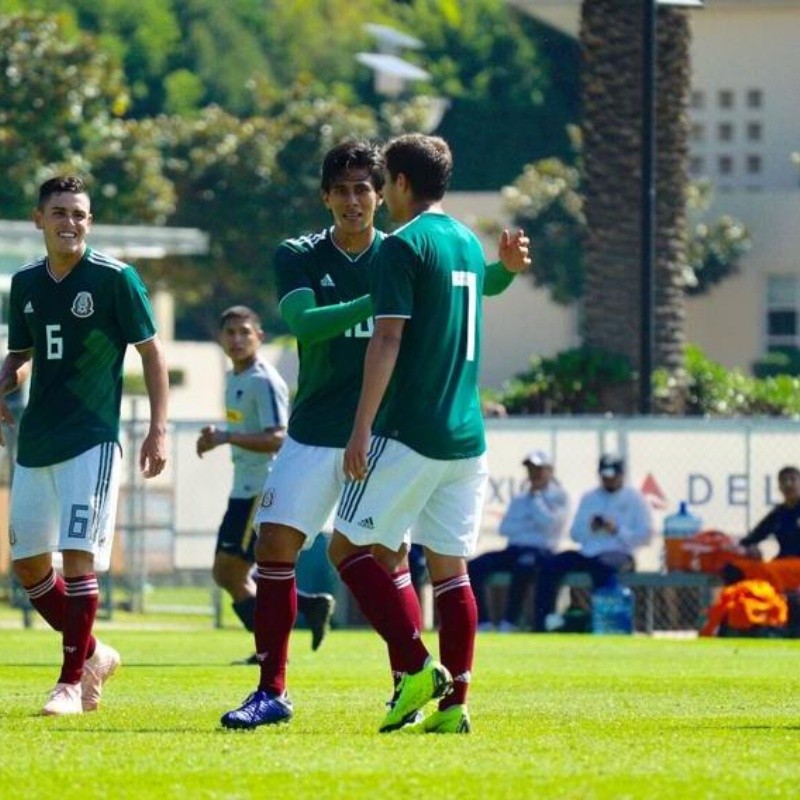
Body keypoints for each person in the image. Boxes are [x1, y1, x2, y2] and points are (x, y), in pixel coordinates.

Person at [220, 135, 529, 734]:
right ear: (325, 198)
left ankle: (406, 681)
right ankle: (272, 690)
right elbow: (305, 322)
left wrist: (506, 273)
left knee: (384, 557)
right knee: (275, 547)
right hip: (317, 430)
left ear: (384, 190)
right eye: (343, 190)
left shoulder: (403, 248)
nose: (357, 200)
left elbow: (471, 284)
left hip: (386, 432)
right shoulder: (302, 253)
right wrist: (379, 297)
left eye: (367, 187)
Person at [0, 175, 169, 715]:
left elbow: (152, 354)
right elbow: (21, 356)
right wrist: (4, 379)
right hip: (36, 441)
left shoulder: (116, 279)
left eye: (79, 214)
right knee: (27, 565)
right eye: (59, 213)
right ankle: (94, 654)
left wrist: (158, 429)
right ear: (38, 219)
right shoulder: (25, 284)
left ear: (89, 222)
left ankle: (70, 683)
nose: (69, 223)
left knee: (78, 560)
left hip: (92, 440)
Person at [196, 305, 334, 658]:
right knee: (229, 572)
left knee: (230, 571)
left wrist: (226, 438)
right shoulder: (235, 377)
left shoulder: (264, 379)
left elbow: (278, 437)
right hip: (244, 485)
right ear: (220, 338)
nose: (237, 339)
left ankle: (271, 651)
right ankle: (307, 608)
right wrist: (219, 437)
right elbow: (245, 429)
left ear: (260, 336)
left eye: (245, 331)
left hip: (262, 486)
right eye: (231, 332)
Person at [533, 453, 653, 632]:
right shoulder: (589, 497)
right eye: (605, 476)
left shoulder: (635, 498)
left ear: (622, 475)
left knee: (603, 566)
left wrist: (616, 529)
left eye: (613, 476)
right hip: (588, 552)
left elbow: (645, 536)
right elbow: (575, 534)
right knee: (551, 565)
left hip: (620, 552)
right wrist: (591, 528)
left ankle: (604, 622)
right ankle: (543, 622)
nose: (609, 480)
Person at [469, 449, 569, 632]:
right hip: (514, 549)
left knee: (524, 566)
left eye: (539, 469)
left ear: (549, 471)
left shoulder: (559, 496)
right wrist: (532, 522)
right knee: (475, 566)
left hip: (541, 552)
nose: (534, 474)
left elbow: (551, 525)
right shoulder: (520, 498)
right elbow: (505, 528)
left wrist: (536, 502)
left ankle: (510, 621)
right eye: (531, 470)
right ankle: (483, 621)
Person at [721, 465, 800, 635]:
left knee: (767, 571)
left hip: (794, 565)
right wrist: (749, 548)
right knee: (735, 568)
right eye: (784, 481)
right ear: (778, 487)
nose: (789, 484)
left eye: (793, 479)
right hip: (781, 563)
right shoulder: (779, 513)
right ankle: (739, 620)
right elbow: (754, 537)